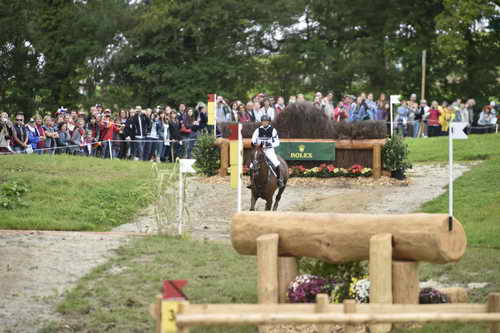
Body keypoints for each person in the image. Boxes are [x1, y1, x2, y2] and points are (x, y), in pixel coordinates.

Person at [249, 114, 284, 188]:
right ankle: (252, 182)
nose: (264, 123)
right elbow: (253, 140)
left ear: (269, 122)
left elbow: (277, 142)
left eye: (266, 121)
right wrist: (256, 143)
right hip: (260, 150)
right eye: (263, 121)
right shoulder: (258, 130)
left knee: (276, 162)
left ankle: (279, 180)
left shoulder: (273, 130)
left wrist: (270, 144)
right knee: (251, 165)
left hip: (269, 150)